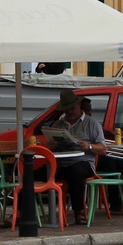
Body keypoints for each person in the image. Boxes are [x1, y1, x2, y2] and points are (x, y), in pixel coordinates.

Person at [50, 89, 108, 222]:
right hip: (60, 164)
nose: (69, 112)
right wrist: (50, 146)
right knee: (31, 174)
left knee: (75, 172)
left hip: (83, 163)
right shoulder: (58, 124)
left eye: (72, 108)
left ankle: (79, 211)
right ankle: (20, 212)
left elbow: (103, 149)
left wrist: (89, 146)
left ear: (79, 106)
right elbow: (49, 145)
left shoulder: (91, 123)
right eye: (66, 110)